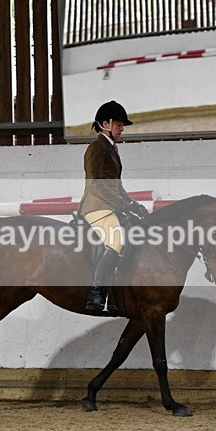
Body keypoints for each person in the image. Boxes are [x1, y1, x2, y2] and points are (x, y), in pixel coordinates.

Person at [79, 100, 150, 312]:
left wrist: (132, 204)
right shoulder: (97, 147)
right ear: (105, 124)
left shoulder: (111, 149)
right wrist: (122, 204)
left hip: (110, 205)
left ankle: (116, 294)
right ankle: (96, 292)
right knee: (116, 241)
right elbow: (96, 184)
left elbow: (117, 186)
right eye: (119, 124)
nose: (122, 129)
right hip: (97, 206)